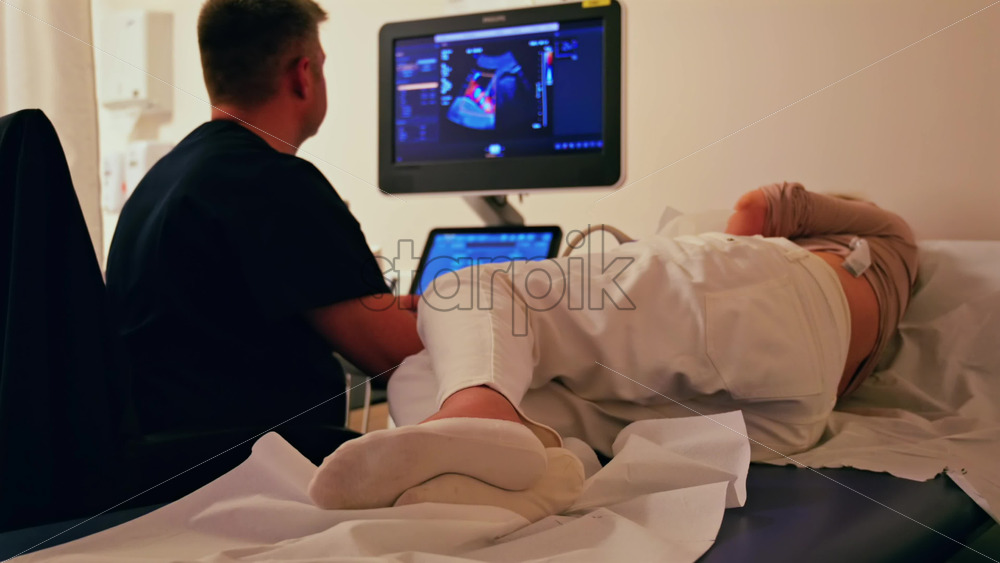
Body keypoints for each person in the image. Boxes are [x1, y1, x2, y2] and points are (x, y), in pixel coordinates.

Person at [308, 182, 918, 522]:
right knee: (431, 364)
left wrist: (677, 255)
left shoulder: (880, 226)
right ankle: (543, 474)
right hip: (789, 419)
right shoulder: (884, 299)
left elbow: (754, 211)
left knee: (469, 287)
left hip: (772, 302)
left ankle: (475, 413)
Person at [105, 0, 421, 461]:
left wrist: (378, 305)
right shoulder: (273, 182)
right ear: (303, 74)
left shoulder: (165, 180)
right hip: (253, 469)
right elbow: (402, 357)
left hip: (164, 466)